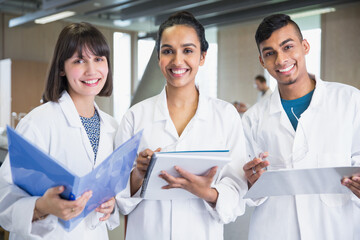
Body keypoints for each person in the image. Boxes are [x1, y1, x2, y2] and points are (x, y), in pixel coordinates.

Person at [115, 11, 247, 240]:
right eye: (168, 51)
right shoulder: (135, 117)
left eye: (188, 50)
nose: (177, 61)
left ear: (202, 56)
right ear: (158, 57)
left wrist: (208, 192)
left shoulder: (225, 116)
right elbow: (117, 197)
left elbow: (236, 191)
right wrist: (138, 174)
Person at [242, 14, 360, 240]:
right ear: (262, 61)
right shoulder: (252, 119)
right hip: (275, 231)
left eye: (288, 47)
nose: (280, 59)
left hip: (337, 230)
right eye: (270, 53)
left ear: (305, 46)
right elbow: (244, 190)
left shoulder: (350, 101)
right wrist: (249, 182)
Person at [0, 22, 120, 239]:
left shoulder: (112, 126)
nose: (91, 70)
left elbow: (112, 190)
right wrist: (42, 206)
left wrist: (111, 204)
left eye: (98, 59)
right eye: (79, 60)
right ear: (62, 68)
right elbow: (4, 199)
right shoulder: (38, 123)